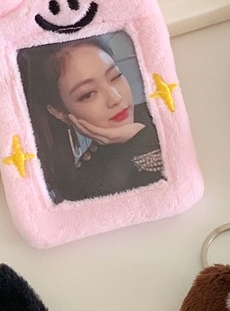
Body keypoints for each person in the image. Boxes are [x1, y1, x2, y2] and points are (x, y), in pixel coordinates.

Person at [18, 34, 164, 202]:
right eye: (88, 94)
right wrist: (138, 140)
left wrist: (140, 134)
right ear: (59, 113)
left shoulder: (163, 113)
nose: (115, 98)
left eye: (115, 76)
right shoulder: (84, 186)